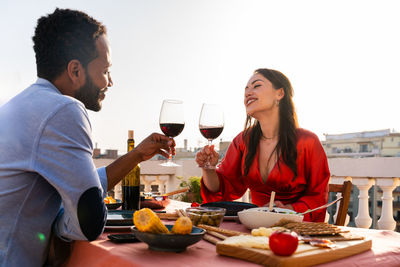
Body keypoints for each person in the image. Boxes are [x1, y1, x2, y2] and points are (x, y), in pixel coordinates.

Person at [0, 8, 174, 267]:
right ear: (75, 70)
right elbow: (89, 223)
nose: (110, 82)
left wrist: (137, 155)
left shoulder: (20, 107)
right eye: (105, 70)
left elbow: (85, 188)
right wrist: (58, 224)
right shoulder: (63, 109)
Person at [196, 68, 330, 222]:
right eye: (246, 89)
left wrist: (289, 210)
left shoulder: (308, 141)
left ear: (279, 93)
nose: (248, 92)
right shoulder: (243, 141)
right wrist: (208, 169)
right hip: (257, 228)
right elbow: (221, 190)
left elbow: (319, 195)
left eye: (256, 86)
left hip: (298, 229)